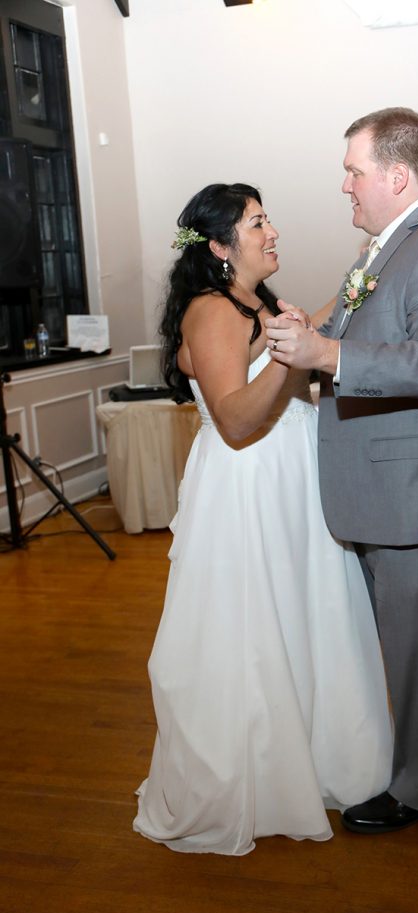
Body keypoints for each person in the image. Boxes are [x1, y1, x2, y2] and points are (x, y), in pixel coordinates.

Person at [133, 183, 393, 856]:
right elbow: (239, 421)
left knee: (305, 617)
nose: (272, 231)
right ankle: (260, 774)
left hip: (288, 478)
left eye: (267, 218)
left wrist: (355, 286)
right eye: (256, 223)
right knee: (255, 627)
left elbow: (304, 350)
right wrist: (290, 355)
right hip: (251, 484)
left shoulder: (259, 301)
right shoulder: (212, 312)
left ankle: (315, 754)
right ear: (219, 247)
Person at [265, 108, 418, 834]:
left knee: (408, 632)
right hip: (381, 485)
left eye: (354, 171)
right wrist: (307, 334)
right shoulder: (383, 247)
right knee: (403, 632)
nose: (345, 185)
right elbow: (343, 329)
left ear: (396, 177)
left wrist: (325, 356)